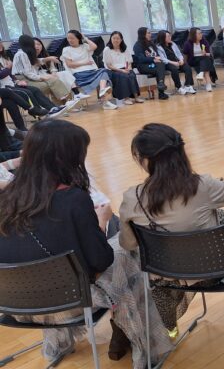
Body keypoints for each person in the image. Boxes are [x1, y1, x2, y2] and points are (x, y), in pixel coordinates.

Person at [0, 120, 172, 367]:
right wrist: (102, 221)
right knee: (127, 251)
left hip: (17, 304)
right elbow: (100, 261)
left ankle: (59, 342)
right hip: (70, 303)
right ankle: (146, 344)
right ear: (67, 158)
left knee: (45, 263)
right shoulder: (73, 199)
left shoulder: (7, 195)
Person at [119, 123, 224, 330]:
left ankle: (166, 326)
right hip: (214, 273)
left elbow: (128, 244)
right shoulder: (203, 186)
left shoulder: (132, 197)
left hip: (164, 277)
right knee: (222, 217)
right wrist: (217, 185)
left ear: (146, 160)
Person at [61, 30, 116, 110]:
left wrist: (85, 38)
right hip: (79, 74)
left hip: (91, 71)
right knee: (103, 76)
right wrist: (85, 63)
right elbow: (70, 64)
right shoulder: (66, 49)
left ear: (78, 38)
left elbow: (94, 46)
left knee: (104, 71)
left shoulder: (84, 46)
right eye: (68, 38)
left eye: (72, 38)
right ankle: (105, 102)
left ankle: (102, 91)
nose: (70, 40)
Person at [12, 35, 75, 104]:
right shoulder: (23, 54)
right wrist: (41, 77)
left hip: (34, 76)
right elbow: (28, 72)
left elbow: (51, 67)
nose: (36, 46)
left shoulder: (27, 54)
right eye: (34, 44)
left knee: (57, 78)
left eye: (38, 44)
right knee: (52, 82)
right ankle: (64, 100)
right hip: (25, 78)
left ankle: (66, 98)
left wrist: (51, 72)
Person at [104, 31, 144, 105]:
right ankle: (126, 98)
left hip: (125, 68)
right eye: (114, 38)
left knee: (132, 75)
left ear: (121, 39)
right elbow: (109, 65)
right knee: (123, 76)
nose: (116, 40)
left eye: (118, 38)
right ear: (111, 39)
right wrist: (121, 71)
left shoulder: (124, 48)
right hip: (113, 70)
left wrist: (128, 68)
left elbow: (129, 61)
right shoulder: (107, 49)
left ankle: (136, 97)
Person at [133, 27, 169, 100]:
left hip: (154, 65)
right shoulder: (137, 46)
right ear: (143, 34)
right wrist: (153, 59)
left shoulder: (151, 44)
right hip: (144, 66)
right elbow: (141, 59)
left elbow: (157, 55)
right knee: (160, 68)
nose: (150, 34)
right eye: (148, 33)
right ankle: (161, 91)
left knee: (160, 65)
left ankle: (161, 85)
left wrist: (157, 58)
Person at [155, 30, 195, 95]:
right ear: (162, 38)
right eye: (168, 36)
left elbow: (179, 53)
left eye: (170, 36)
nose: (170, 37)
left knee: (187, 67)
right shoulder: (158, 47)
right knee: (174, 69)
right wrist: (173, 63)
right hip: (168, 63)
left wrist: (181, 60)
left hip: (177, 61)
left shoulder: (173, 44)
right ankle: (178, 87)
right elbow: (163, 59)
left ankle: (188, 85)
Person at [181, 27, 216, 92]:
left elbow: (209, 54)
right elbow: (185, 54)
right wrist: (185, 63)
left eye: (201, 33)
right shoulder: (188, 43)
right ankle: (206, 82)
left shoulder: (204, 41)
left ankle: (204, 78)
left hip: (203, 59)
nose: (201, 35)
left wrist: (205, 53)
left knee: (205, 59)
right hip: (193, 60)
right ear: (193, 35)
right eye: (199, 33)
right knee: (205, 62)